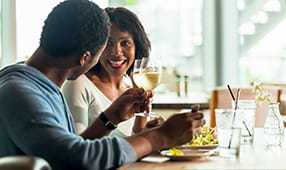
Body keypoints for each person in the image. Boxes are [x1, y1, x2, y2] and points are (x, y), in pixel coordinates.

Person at [0, 0, 204, 170]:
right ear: (84, 58)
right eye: (103, 48)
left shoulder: (39, 85)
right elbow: (75, 159)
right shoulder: (20, 93)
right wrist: (159, 137)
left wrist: (111, 118)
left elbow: (71, 147)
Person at [62, 7, 162, 137]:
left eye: (125, 43)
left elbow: (132, 145)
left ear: (137, 46)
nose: (116, 52)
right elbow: (77, 149)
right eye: (108, 43)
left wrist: (149, 130)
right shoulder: (78, 84)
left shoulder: (134, 85)